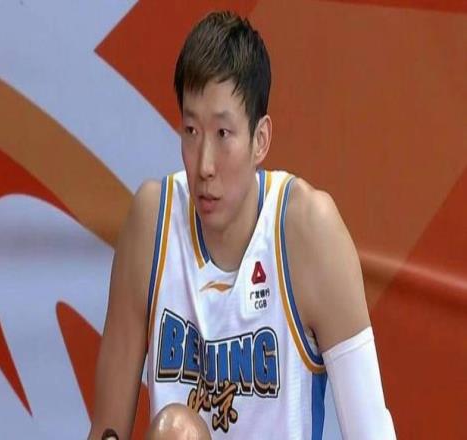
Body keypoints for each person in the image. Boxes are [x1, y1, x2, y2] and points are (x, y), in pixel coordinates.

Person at [89, 11, 395, 440]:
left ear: (260, 139)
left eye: (222, 134)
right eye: (191, 130)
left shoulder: (308, 231)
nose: (204, 165)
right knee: (176, 429)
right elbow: (107, 429)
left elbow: (372, 432)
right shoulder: (152, 224)